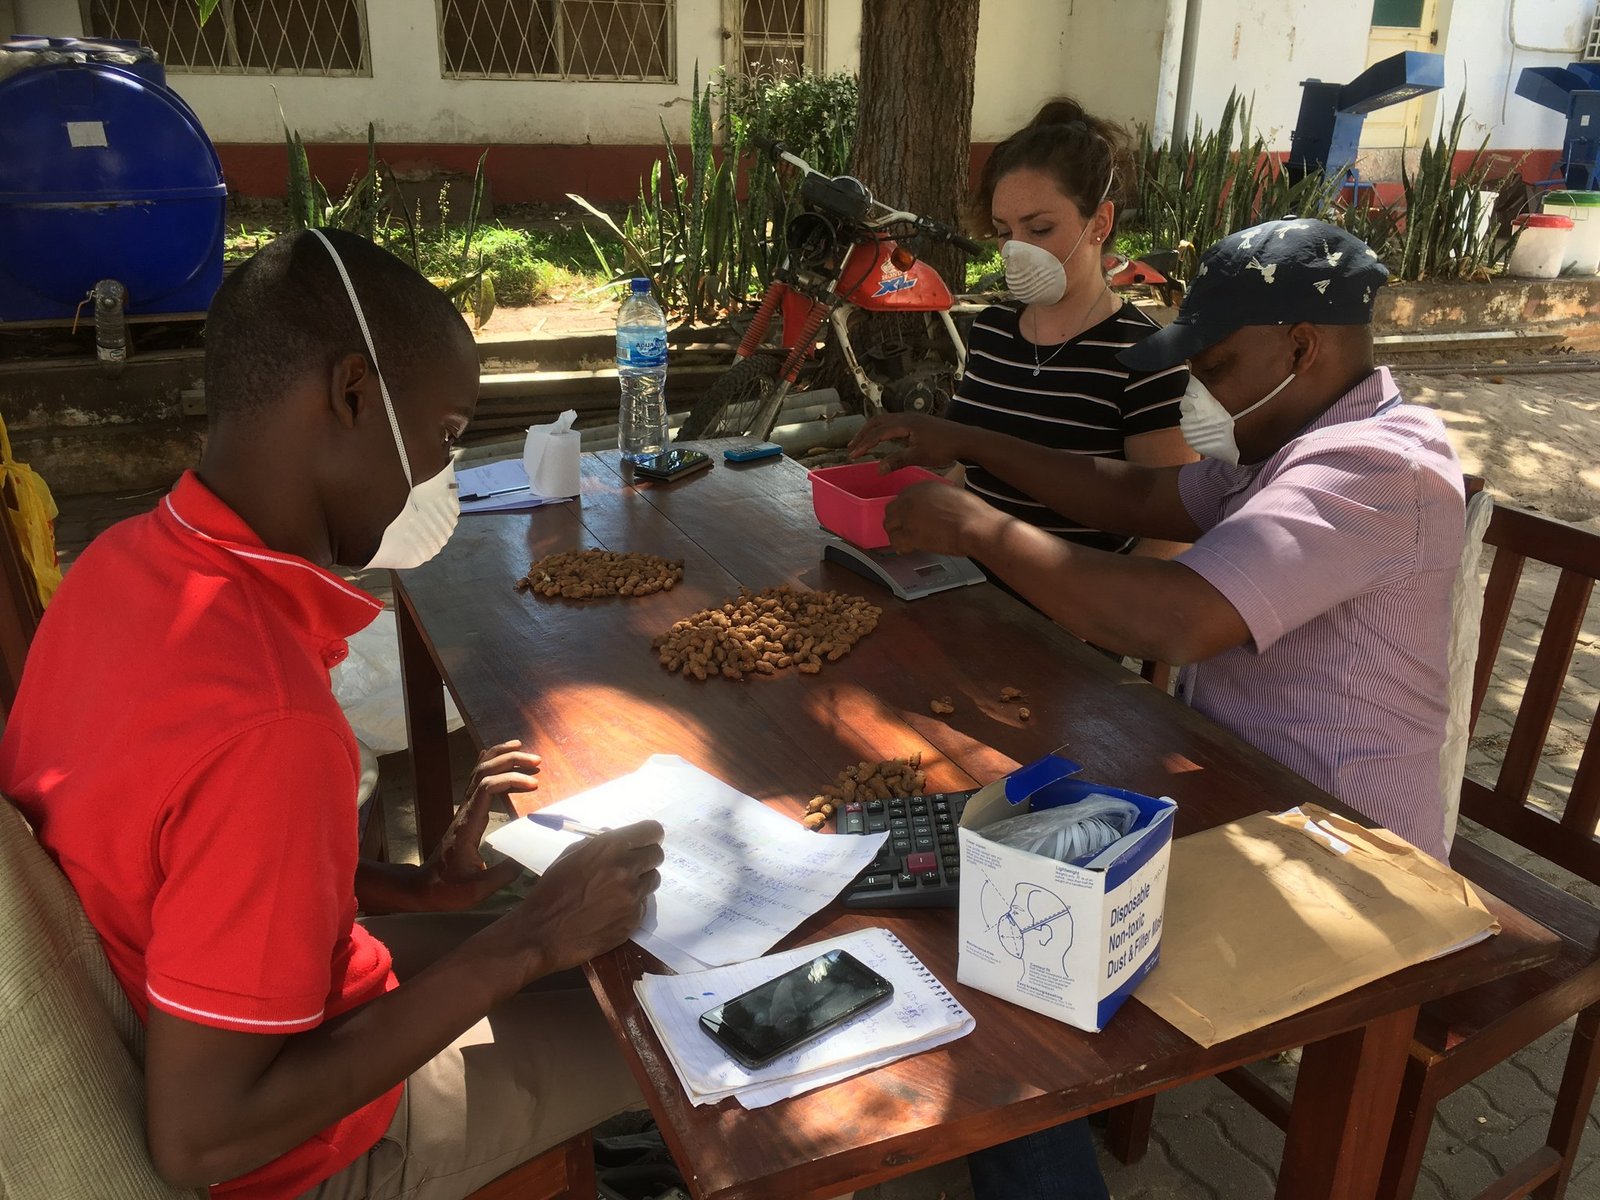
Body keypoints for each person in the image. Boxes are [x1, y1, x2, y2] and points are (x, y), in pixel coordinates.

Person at [0, 228, 666, 1200]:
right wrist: (526, 940)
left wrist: (412, 891)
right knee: (669, 1019)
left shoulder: (119, 566)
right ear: (353, 394)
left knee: (607, 950)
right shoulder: (271, 721)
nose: (440, 471)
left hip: (223, 1005)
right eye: (444, 437)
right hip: (304, 1150)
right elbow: (201, 1141)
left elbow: (163, 860)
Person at [852, 217, 1464, 862]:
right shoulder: (1279, 445)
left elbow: (1180, 619)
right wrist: (970, 442)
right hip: (1247, 785)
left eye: (1215, 368)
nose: (1193, 397)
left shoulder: (1377, 465)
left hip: (1346, 843)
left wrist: (978, 528)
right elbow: (1140, 496)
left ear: (1301, 348)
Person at [951, 98, 1193, 558]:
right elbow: (974, 467)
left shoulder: (1149, 358)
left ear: (1099, 223)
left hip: (1077, 602)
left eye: (1039, 229)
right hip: (969, 589)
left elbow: (1170, 532)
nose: (1016, 250)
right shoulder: (990, 332)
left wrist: (1087, 603)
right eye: (1003, 231)